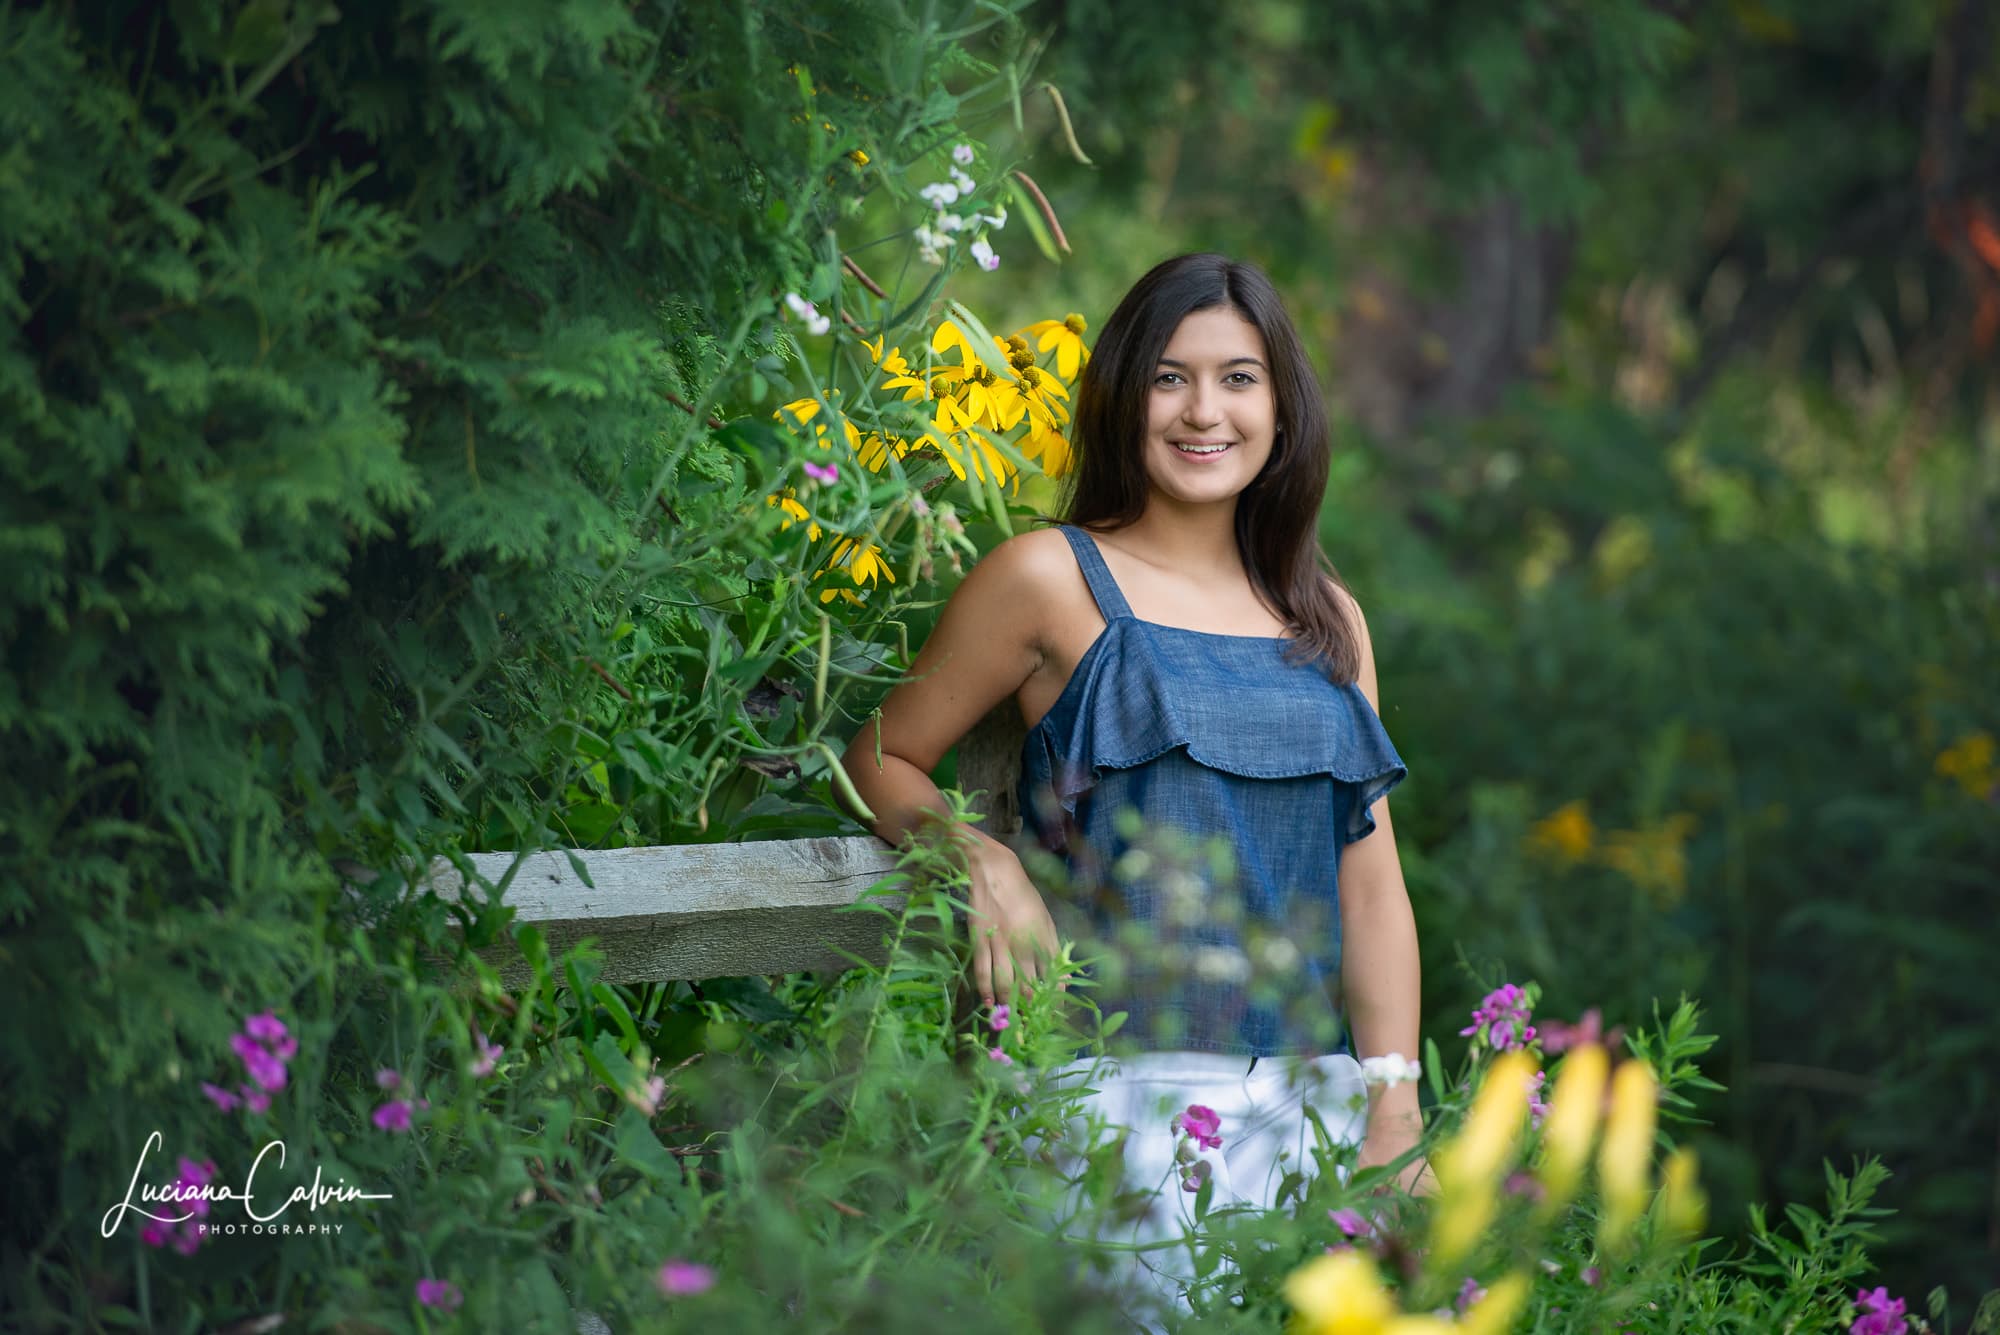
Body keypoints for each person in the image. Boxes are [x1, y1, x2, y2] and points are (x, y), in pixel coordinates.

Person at [839, 253, 1428, 1320]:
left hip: (1312, 1109)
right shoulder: (1047, 578)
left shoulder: (1327, 624)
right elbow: (880, 751)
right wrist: (972, 852)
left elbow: (1371, 889)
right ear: (1121, 397)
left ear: (1282, 409)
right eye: (1169, 376)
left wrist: (1393, 1114)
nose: (1203, 410)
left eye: (1238, 377)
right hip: (1111, 1102)